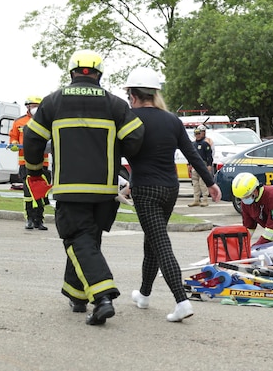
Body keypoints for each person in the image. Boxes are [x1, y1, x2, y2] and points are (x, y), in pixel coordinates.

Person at [23, 49, 145, 326]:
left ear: (72, 72)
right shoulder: (114, 104)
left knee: (78, 239)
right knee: (88, 240)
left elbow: (31, 138)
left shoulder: (53, 101)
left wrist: (34, 171)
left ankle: (102, 297)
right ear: (99, 74)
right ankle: (76, 295)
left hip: (70, 189)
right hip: (104, 192)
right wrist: (116, 153)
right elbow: (136, 136)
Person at [124, 67, 221, 322]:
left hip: (145, 190)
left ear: (132, 94)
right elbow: (193, 154)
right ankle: (144, 295)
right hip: (170, 189)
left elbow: (116, 151)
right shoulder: (172, 120)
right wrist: (211, 183)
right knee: (152, 243)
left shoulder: (130, 118)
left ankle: (181, 301)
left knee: (160, 243)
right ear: (155, 93)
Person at [9, 97, 51, 230]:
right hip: (24, 162)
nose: (35, 108)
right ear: (27, 107)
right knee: (28, 193)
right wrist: (14, 145)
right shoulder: (19, 122)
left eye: (37, 105)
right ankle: (29, 219)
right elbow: (13, 138)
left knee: (41, 192)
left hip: (43, 163)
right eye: (33, 105)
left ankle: (39, 220)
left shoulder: (46, 122)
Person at [188, 124, 213, 207]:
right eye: (196, 134)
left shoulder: (205, 144)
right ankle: (196, 200)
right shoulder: (193, 144)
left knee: (202, 183)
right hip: (194, 165)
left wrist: (209, 165)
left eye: (199, 133)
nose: (198, 135)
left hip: (203, 164)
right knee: (195, 183)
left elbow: (209, 155)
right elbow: (190, 155)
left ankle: (205, 200)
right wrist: (189, 164)